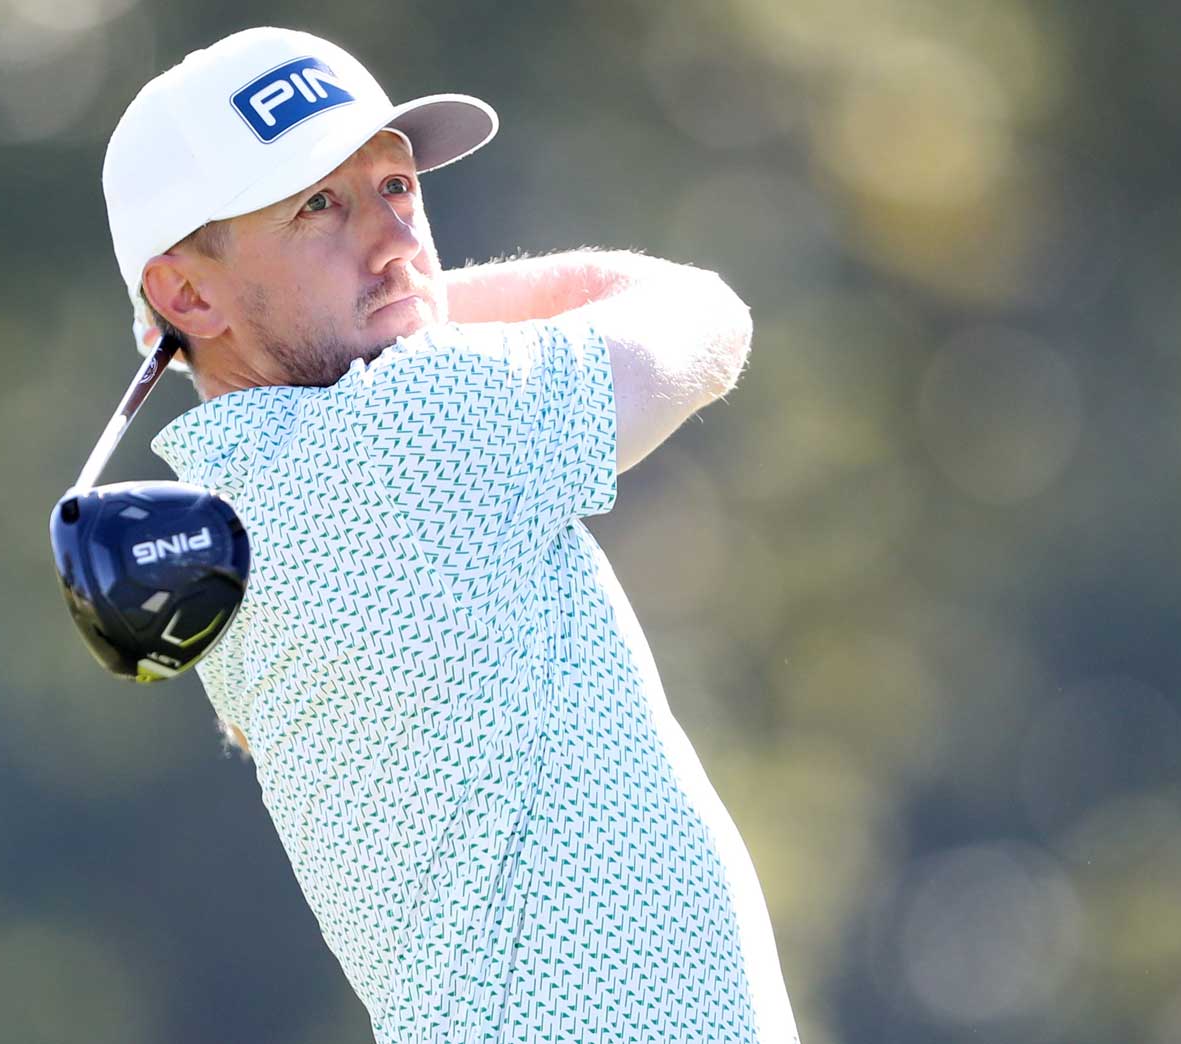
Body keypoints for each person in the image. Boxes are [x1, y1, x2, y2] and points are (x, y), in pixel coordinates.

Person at [101, 26, 799, 1043]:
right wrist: (425, 309)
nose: (390, 238)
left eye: (395, 189)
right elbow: (703, 318)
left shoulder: (219, 527)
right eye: (317, 206)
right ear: (188, 294)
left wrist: (400, 304)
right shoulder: (415, 423)